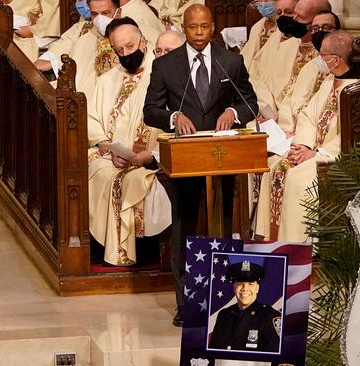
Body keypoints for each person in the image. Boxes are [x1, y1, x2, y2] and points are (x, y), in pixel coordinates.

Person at [143, 4, 258, 326]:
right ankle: (187, 304)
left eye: (204, 27)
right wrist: (173, 116)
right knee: (184, 227)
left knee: (223, 223)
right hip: (186, 159)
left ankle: (227, 299)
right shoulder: (166, 66)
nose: (198, 34)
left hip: (222, 157)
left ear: (213, 27)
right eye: (192, 27)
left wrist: (233, 114)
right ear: (184, 26)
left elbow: (249, 101)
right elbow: (150, 109)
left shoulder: (231, 61)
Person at [254, 31, 357, 242]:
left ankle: (298, 246)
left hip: (332, 157)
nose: (318, 58)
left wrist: (316, 154)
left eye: (322, 54)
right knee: (273, 170)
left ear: (335, 60)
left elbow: (352, 133)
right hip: (311, 151)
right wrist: (302, 146)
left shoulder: (358, 90)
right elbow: (308, 116)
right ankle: (271, 242)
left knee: (297, 181)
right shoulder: (330, 81)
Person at [86, 17, 171, 266]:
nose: (125, 54)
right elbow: (91, 117)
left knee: (123, 179)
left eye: (130, 47)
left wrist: (150, 154)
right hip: (113, 155)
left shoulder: (163, 75)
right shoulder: (107, 79)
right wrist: (104, 144)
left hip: (149, 157)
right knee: (92, 167)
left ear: (144, 42)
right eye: (119, 50)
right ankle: (101, 245)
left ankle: (132, 250)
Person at [34, 0, 164, 82]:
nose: (99, 19)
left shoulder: (138, 30)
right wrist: (53, 62)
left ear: (118, 13)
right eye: (95, 14)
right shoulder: (86, 33)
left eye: (105, 13)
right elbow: (77, 61)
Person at [248, 0, 330, 116]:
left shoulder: (329, 55)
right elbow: (265, 82)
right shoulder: (286, 46)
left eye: (299, 16)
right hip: (276, 116)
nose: (294, 20)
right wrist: (270, 113)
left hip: (306, 118)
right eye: (294, 14)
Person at [209, 261, 281, 352]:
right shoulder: (224, 315)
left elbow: (274, 358)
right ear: (234, 287)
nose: (244, 288)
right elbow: (213, 352)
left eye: (250, 284)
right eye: (239, 283)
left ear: (257, 288)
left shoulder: (270, 316)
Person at [240, 0, 279, 70]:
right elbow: (247, 54)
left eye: (266, 0)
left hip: (274, 69)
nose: (263, 3)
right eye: (260, 0)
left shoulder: (285, 28)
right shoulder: (256, 27)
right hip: (254, 71)